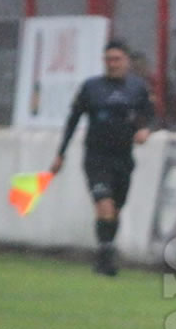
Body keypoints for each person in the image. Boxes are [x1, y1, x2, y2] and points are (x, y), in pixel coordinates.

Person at [49, 40, 154, 276]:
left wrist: (146, 129)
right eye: (108, 59)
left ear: (127, 61)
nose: (112, 64)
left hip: (124, 157)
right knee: (104, 205)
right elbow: (73, 120)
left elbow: (151, 115)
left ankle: (104, 254)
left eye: (117, 59)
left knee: (115, 209)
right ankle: (106, 259)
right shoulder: (91, 87)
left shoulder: (137, 88)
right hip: (96, 157)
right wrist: (61, 154)